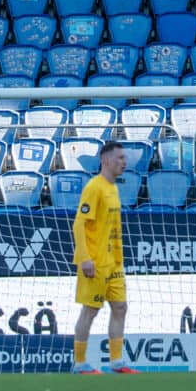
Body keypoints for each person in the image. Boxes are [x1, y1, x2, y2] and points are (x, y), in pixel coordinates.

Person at [71, 141, 131, 374]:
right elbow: (79, 224)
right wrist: (84, 258)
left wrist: (118, 259)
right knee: (90, 310)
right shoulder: (94, 187)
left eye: (124, 158)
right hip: (94, 262)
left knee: (120, 307)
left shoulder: (113, 188)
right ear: (105, 160)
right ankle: (80, 362)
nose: (123, 162)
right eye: (119, 158)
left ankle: (116, 361)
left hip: (113, 262)